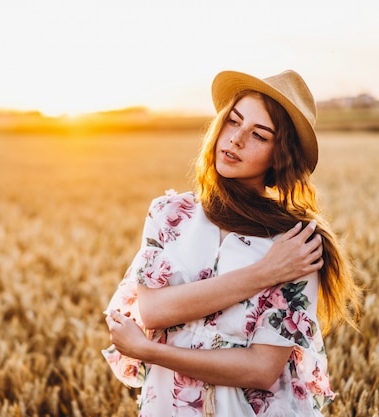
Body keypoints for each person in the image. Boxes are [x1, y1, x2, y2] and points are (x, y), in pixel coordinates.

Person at [102, 69, 361, 416]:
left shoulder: (294, 243)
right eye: (233, 122)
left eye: (259, 135)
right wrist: (265, 273)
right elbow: (154, 310)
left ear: (280, 155)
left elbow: (261, 369)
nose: (236, 139)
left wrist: (149, 351)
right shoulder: (170, 214)